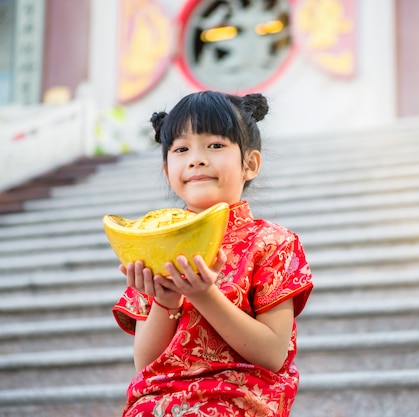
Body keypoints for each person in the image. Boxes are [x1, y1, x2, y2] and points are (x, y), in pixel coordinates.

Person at [112, 90, 314, 417]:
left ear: (250, 163)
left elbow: (272, 354)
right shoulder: (150, 244)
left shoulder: (273, 242)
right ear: (167, 171)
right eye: (181, 149)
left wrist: (205, 295)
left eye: (215, 145)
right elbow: (145, 365)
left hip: (238, 403)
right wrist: (166, 302)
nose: (197, 158)